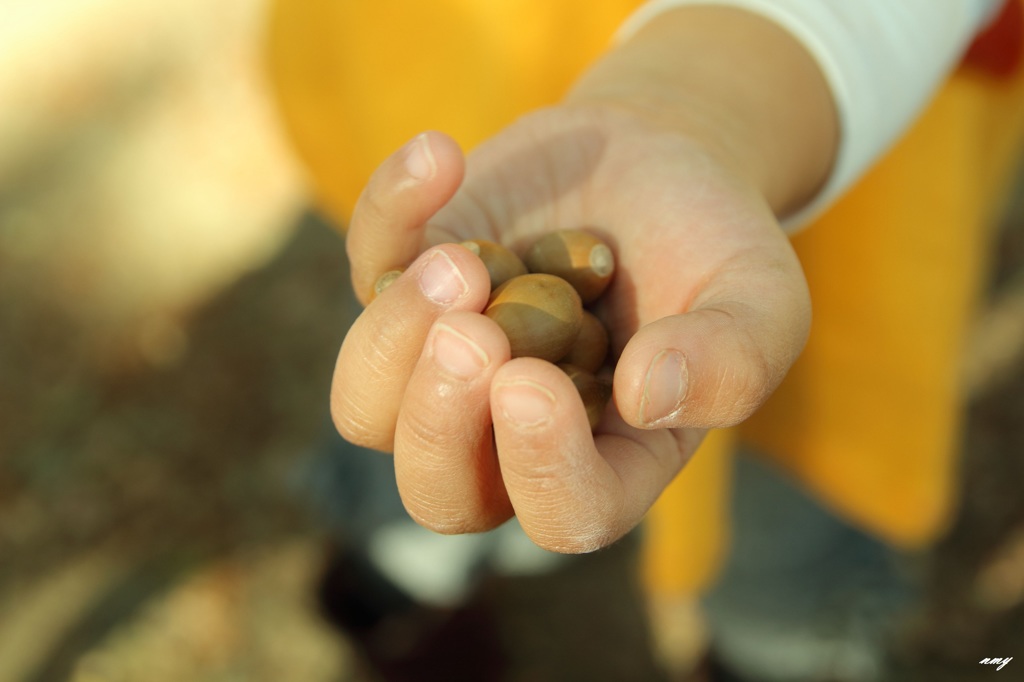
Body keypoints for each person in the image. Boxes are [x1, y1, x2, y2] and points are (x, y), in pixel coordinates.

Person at [265, 1, 1024, 679]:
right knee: (432, 426)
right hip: (476, 84)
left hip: (842, 113)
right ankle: (392, 595)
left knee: (803, 488)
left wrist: (690, 106)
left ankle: (786, 651)